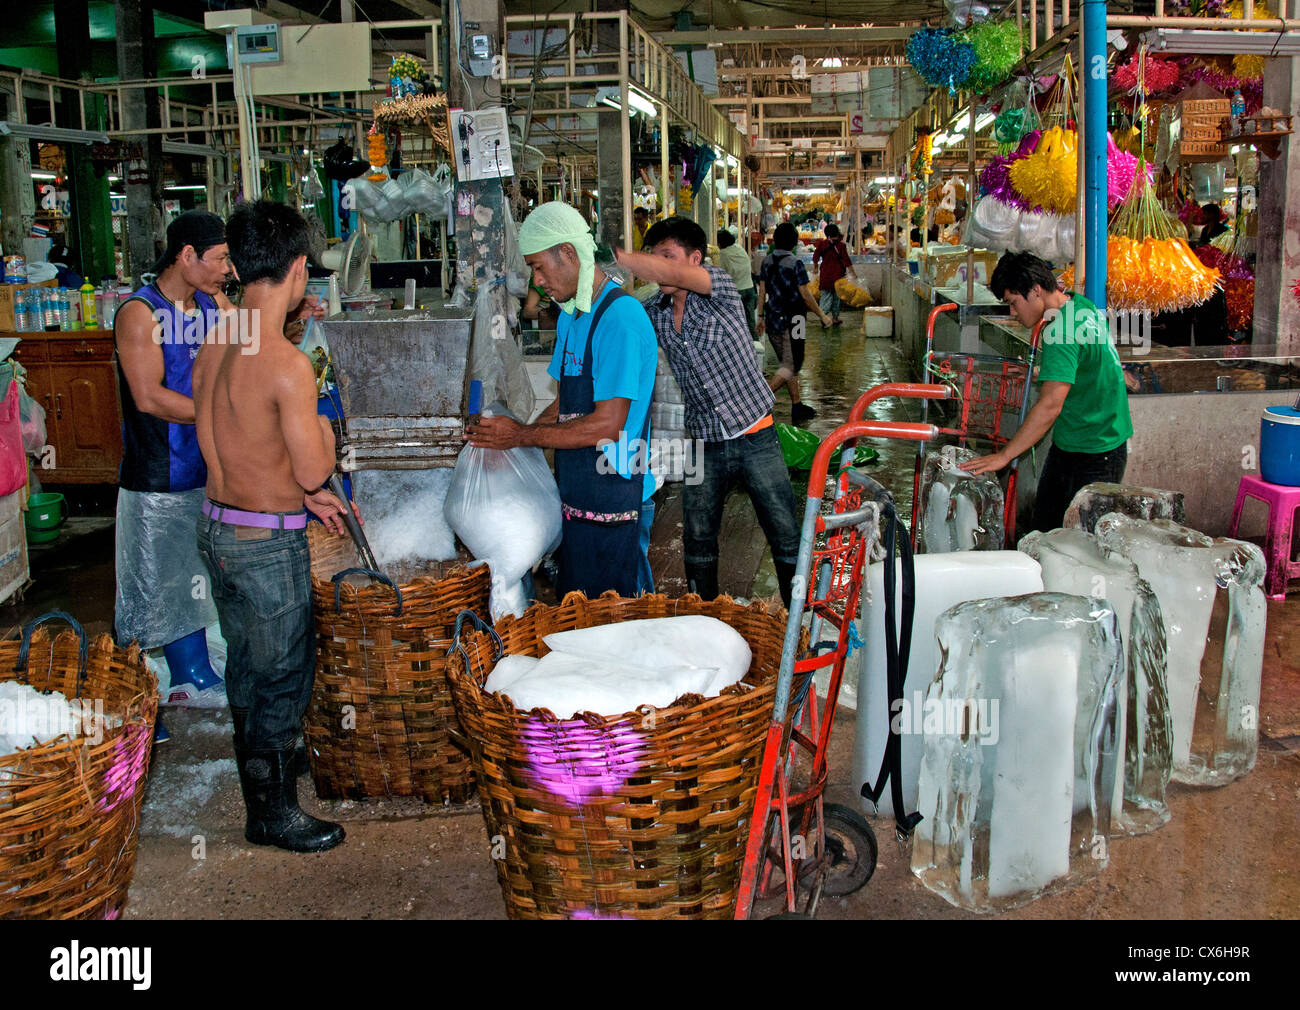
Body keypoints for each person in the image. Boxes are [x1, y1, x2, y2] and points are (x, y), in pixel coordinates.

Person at [193, 200, 356, 853]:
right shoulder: (287, 363)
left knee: (248, 670)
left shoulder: (217, 339)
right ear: (295, 271)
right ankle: (273, 811)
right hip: (263, 543)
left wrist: (294, 489)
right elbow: (315, 467)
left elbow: (238, 439)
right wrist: (319, 424)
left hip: (218, 527)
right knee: (284, 674)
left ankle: (264, 778)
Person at [468, 201, 657, 598]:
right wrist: (512, 444)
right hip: (578, 494)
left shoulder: (620, 319)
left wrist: (519, 436)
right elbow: (562, 405)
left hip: (616, 499)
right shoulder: (573, 314)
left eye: (539, 266)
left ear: (569, 253)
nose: (537, 281)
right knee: (578, 610)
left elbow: (607, 425)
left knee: (616, 619)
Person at [612, 216, 802, 607]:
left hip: (756, 435)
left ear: (695, 259)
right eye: (654, 256)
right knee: (697, 539)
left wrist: (622, 258)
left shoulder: (721, 289)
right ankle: (706, 621)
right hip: (703, 442)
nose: (658, 265)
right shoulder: (657, 313)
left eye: (668, 256)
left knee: (784, 535)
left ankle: (802, 619)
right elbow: (621, 320)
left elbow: (663, 272)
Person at [114, 211, 233, 743]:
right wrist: (217, 413)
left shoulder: (208, 305)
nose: (228, 269)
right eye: (220, 259)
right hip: (159, 471)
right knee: (153, 580)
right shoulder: (140, 313)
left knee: (193, 571)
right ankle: (135, 698)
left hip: (205, 464)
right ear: (187, 255)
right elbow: (149, 396)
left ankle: (190, 671)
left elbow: (246, 345)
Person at [962, 252, 1133, 533]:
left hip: (1094, 450)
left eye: (1013, 303)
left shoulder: (1060, 331)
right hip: (1084, 441)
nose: (1013, 313)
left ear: (1035, 291)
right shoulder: (1080, 307)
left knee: (1076, 543)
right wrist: (1046, 373)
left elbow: (1050, 406)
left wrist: (1004, 456)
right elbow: (1085, 364)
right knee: (1048, 531)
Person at [757, 221, 832, 424]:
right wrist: (822, 315)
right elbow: (805, 295)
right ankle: (760, 399)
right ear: (794, 241)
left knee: (787, 363)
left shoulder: (766, 262)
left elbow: (762, 291)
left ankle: (797, 405)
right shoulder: (795, 263)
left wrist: (760, 316)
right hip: (795, 319)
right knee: (792, 364)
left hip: (773, 318)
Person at [812, 222, 858, 327]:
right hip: (838, 276)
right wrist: (853, 273)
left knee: (825, 297)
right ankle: (835, 318)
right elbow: (846, 260)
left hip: (826, 276)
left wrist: (815, 268)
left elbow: (815, 257)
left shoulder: (823, 244)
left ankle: (824, 317)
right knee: (837, 298)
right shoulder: (841, 245)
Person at [716, 228, 758, 337]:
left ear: (720, 243)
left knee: (736, 323)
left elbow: (722, 273)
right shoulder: (739, 248)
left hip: (737, 291)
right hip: (750, 288)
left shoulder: (723, 254)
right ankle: (756, 345)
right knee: (750, 322)